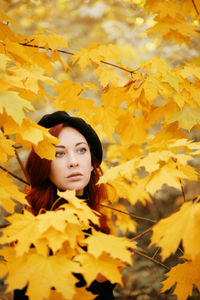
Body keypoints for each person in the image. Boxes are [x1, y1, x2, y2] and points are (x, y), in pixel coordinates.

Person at [14, 111, 116, 300]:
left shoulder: (98, 224)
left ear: (93, 163)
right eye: (59, 154)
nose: (74, 162)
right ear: (45, 167)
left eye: (81, 150)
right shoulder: (34, 234)